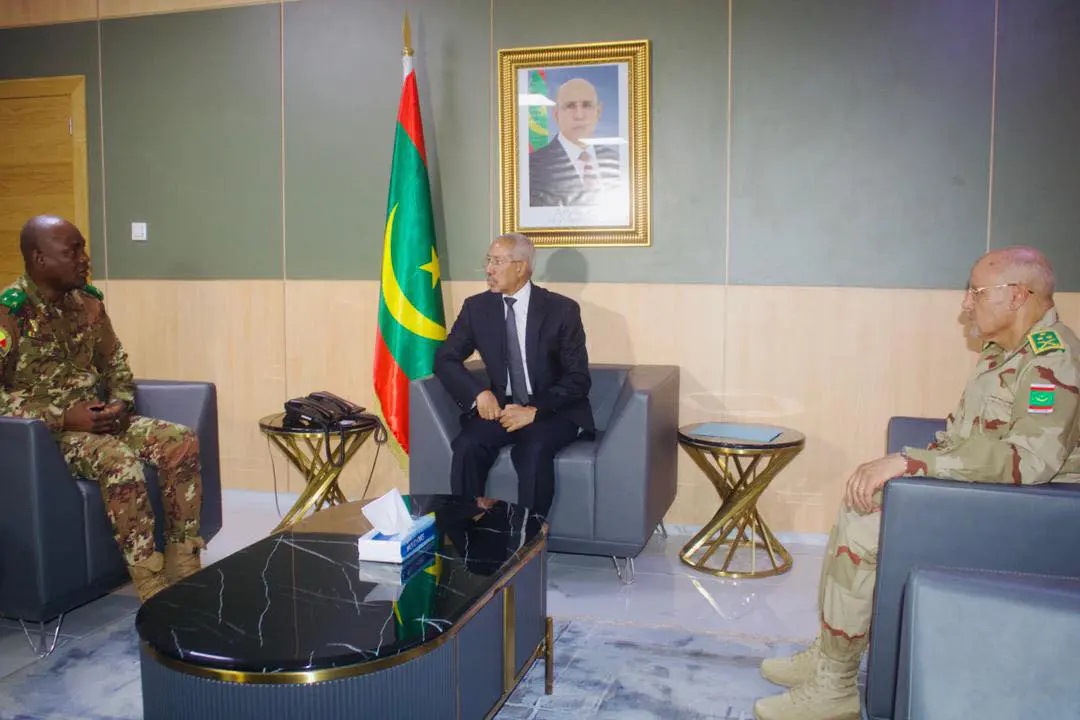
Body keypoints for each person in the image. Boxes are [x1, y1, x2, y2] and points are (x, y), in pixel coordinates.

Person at [753, 246, 1080, 720]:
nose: (965, 304)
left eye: (976, 292)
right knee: (861, 500)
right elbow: (968, 438)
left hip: (1025, 514)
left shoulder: (1052, 360)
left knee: (865, 529)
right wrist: (914, 465)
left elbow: (1030, 462)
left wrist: (913, 463)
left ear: (1016, 295)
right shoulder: (1003, 351)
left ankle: (837, 687)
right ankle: (832, 652)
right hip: (992, 493)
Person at [0, 215, 205, 602]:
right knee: (117, 459)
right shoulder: (9, 313)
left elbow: (116, 365)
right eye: (73, 251)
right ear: (40, 259)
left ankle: (184, 563)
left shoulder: (88, 303)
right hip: (45, 436)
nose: (85, 258)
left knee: (179, 441)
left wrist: (119, 404)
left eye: (83, 248)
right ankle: (149, 581)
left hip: (100, 419)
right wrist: (63, 417)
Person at [433, 232, 594, 517]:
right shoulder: (477, 308)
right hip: (502, 407)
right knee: (468, 445)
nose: (489, 270)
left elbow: (578, 378)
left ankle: (530, 534)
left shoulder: (561, 310)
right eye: (488, 261)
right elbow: (445, 359)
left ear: (521, 267)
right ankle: (467, 526)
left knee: (533, 451)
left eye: (497, 262)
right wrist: (478, 393)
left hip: (551, 410)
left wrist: (534, 410)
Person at [529, 78, 622, 207]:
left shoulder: (618, 162)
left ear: (598, 112)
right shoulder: (531, 168)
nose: (579, 115)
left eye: (587, 105)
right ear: (556, 114)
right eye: (570, 106)